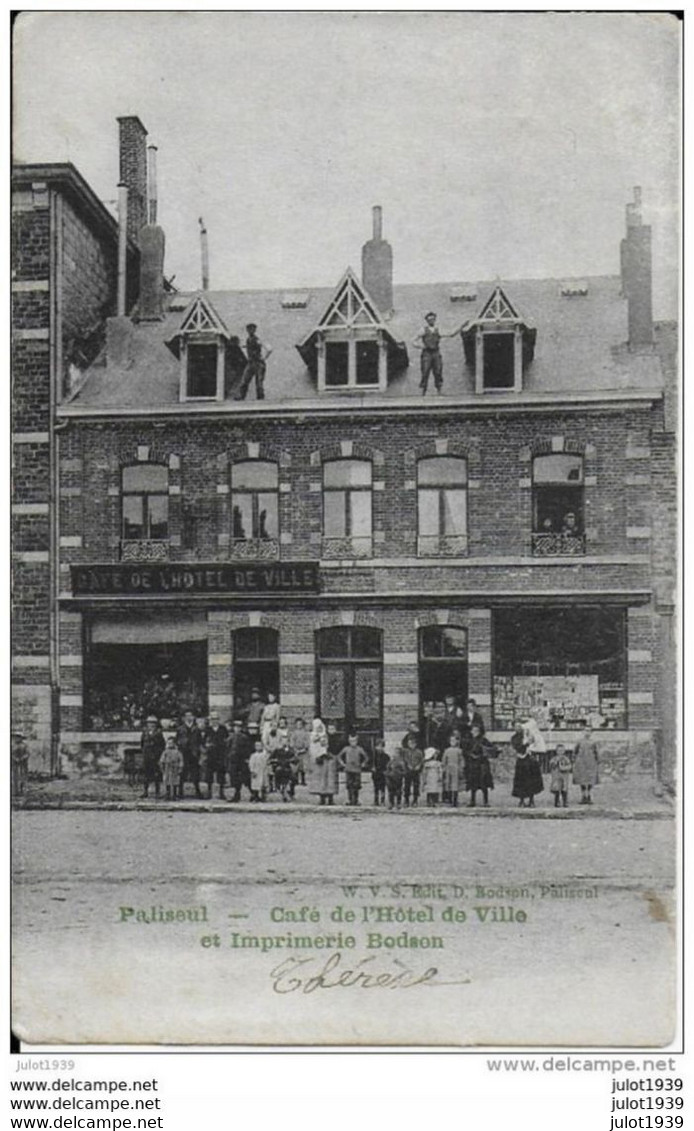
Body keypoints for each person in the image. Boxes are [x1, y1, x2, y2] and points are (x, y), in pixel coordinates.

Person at [412, 311, 462, 395]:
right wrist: (420, 346)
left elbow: (451, 333)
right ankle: (423, 391)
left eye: (433, 319)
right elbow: (413, 340)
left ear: (435, 320)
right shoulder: (423, 330)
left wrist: (461, 326)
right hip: (427, 353)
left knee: (438, 371)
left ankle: (439, 390)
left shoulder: (438, 330)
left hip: (436, 352)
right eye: (429, 319)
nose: (431, 321)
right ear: (427, 320)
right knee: (425, 371)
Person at [511, 722, 544, 808]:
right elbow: (518, 748)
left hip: (531, 761)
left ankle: (531, 800)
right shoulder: (514, 738)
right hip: (522, 761)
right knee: (521, 781)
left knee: (532, 780)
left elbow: (537, 744)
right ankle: (521, 800)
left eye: (520, 726)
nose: (518, 728)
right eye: (516, 726)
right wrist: (526, 744)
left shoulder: (530, 734)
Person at [464, 724, 497, 808]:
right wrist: (471, 755)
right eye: (473, 731)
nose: (474, 732)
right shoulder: (469, 741)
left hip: (482, 764)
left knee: (484, 783)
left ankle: (485, 801)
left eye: (476, 731)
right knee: (473, 784)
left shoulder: (484, 740)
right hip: (473, 764)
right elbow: (465, 751)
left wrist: (486, 752)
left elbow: (491, 749)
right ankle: (472, 800)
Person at [236, 323, 272, 401]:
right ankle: (241, 396)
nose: (250, 331)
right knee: (244, 380)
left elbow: (269, 349)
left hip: (258, 363)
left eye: (252, 329)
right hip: (251, 363)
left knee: (259, 382)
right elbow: (244, 347)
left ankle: (260, 398)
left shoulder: (257, 340)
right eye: (249, 329)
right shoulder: (248, 340)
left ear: (254, 330)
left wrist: (264, 358)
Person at [308, 717, 337, 806]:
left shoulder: (325, 736)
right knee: (321, 779)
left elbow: (327, 746)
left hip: (328, 759)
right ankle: (322, 797)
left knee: (330, 779)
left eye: (320, 727)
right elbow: (312, 748)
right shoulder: (313, 736)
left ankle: (330, 797)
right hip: (319, 760)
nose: (319, 729)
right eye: (317, 727)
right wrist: (317, 755)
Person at [177, 710, 203, 799]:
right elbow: (177, 741)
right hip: (183, 753)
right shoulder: (180, 729)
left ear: (193, 717)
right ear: (184, 718)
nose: (188, 717)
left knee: (195, 773)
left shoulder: (197, 729)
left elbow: (200, 742)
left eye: (190, 716)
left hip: (194, 754)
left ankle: (198, 792)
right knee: (182, 773)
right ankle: (180, 792)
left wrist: (199, 753)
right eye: (187, 716)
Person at [337, 733, 369, 806]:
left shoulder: (359, 749)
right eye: (351, 741)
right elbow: (339, 756)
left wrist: (363, 764)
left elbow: (366, 757)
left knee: (356, 785)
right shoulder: (346, 749)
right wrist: (343, 764)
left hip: (357, 769)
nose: (353, 743)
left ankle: (356, 800)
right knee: (349, 785)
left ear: (357, 741)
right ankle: (350, 799)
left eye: (354, 741)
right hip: (348, 769)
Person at [227, 718, 253, 802]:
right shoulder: (230, 737)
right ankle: (236, 795)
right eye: (235, 727)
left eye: (239, 727)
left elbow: (248, 749)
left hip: (241, 760)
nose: (237, 729)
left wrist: (247, 758)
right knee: (234, 777)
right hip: (233, 760)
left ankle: (254, 794)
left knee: (245, 777)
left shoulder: (244, 737)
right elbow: (227, 748)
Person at [204, 711, 229, 800]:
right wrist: (206, 747)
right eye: (213, 719)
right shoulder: (208, 729)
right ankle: (209, 792)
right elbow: (204, 741)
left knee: (221, 774)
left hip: (220, 754)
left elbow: (227, 740)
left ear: (218, 720)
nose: (214, 721)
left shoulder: (223, 729)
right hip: (211, 754)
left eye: (216, 719)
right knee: (209, 773)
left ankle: (221, 793)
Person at [573, 728, 600, 805]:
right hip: (581, 763)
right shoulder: (579, 741)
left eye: (589, 731)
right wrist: (575, 760)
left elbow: (596, 752)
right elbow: (575, 751)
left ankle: (588, 795)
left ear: (591, 733)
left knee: (590, 779)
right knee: (582, 780)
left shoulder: (593, 742)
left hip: (591, 763)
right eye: (585, 731)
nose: (587, 733)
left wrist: (597, 760)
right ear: (582, 732)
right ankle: (583, 796)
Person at [140, 716, 164, 799]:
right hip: (147, 756)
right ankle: (145, 791)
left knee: (156, 775)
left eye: (153, 723)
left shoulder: (159, 733)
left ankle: (157, 792)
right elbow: (142, 744)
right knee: (146, 775)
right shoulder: (145, 733)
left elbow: (162, 745)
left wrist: (158, 755)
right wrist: (144, 752)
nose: (151, 725)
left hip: (156, 757)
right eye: (149, 723)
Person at [401, 723, 424, 807]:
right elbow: (404, 759)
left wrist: (419, 766)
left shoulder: (419, 751)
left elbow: (422, 759)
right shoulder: (406, 751)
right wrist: (408, 765)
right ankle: (406, 799)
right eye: (410, 743)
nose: (412, 745)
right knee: (407, 785)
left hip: (416, 770)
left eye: (413, 743)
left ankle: (415, 799)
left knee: (416, 785)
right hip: (408, 770)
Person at [441, 732, 464, 807]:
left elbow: (461, 760)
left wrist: (461, 768)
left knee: (455, 784)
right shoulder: (447, 750)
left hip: (456, 768)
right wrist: (444, 768)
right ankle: (449, 798)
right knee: (448, 783)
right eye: (451, 741)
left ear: (457, 741)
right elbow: (444, 760)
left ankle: (455, 800)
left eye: (454, 741)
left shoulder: (459, 751)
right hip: (448, 768)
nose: (452, 742)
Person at [159, 735, 184, 801]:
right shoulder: (165, 752)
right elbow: (162, 760)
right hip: (167, 767)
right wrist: (162, 766)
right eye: (168, 743)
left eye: (171, 743)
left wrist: (180, 767)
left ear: (174, 744)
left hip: (175, 767)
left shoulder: (177, 752)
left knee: (175, 781)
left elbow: (181, 760)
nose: (170, 744)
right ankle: (167, 794)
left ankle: (174, 795)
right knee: (167, 781)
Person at [549, 743, 573, 808]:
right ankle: (557, 802)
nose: (560, 752)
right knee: (557, 789)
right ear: (556, 751)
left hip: (564, 776)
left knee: (564, 789)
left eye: (562, 751)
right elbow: (551, 765)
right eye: (559, 751)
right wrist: (555, 764)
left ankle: (565, 802)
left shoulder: (566, 759)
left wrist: (564, 768)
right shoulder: (554, 759)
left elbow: (569, 766)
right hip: (556, 776)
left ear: (564, 751)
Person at [289, 717, 310, 785]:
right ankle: (296, 780)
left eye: (300, 724)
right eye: (297, 724)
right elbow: (292, 742)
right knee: (296, 766)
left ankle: (303, 780)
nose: (299, 725)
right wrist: (295, 750)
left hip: (303, 752)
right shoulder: (294, 733)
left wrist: (303, 749)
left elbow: (307, 742)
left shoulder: (305, 733)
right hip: (296, 751)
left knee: (303, 766)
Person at [371, 738, 389, 806]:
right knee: (376, 788)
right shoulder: (373, 756)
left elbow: (387, 765)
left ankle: (382, 800)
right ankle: (376, 800)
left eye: (381, 746)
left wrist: (385, 771)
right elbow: (370, 764)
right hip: (376, 773)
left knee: (382, 788)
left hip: (382, 773)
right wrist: (372, 768)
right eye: (378, 746)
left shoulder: (386, 756)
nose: (379, 748)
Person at [11, 733, 29, 799]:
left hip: (23, 764)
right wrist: (15, 758)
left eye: (18, 737)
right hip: (15, 764)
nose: (17, 739)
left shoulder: (24, 745)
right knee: (15, 777)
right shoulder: (12, 745)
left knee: (23, 777)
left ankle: (23, 790)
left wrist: (22, 758)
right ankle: (15, 791)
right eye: (15, 737)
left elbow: (27, 754)